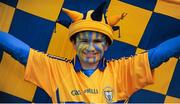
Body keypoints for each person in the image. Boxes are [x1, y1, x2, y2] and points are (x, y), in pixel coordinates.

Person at [0, 2, 180, 103]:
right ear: (73, 43)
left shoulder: (123, 71)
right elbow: (20, 51)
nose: (90, 47)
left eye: (97, 41)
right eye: (84, 41)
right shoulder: (54, 69)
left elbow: (159, 54)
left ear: (107, 45)